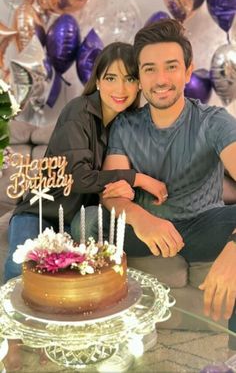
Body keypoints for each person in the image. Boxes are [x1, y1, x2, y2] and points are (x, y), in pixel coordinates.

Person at [101, 19, 236, 345]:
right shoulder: (125, 125)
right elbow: (111, 193)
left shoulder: (214, 122)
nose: (161, 79)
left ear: (188, 71)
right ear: (140, 77)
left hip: (203, 226)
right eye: (149, 69)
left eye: (171, 67)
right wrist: (140, 218)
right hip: (142, 234)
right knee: (89, 222)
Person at [4, 41, 167, 283]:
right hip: (40, 212)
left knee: (75, 283)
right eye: (111, 78)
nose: (120, 88)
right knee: (21, 274)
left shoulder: (129, 124)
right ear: (98, 81)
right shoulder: (78, 111)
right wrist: (137, 179)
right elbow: (77, 176)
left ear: (139, 84)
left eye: (129, 78)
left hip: (80, 221)